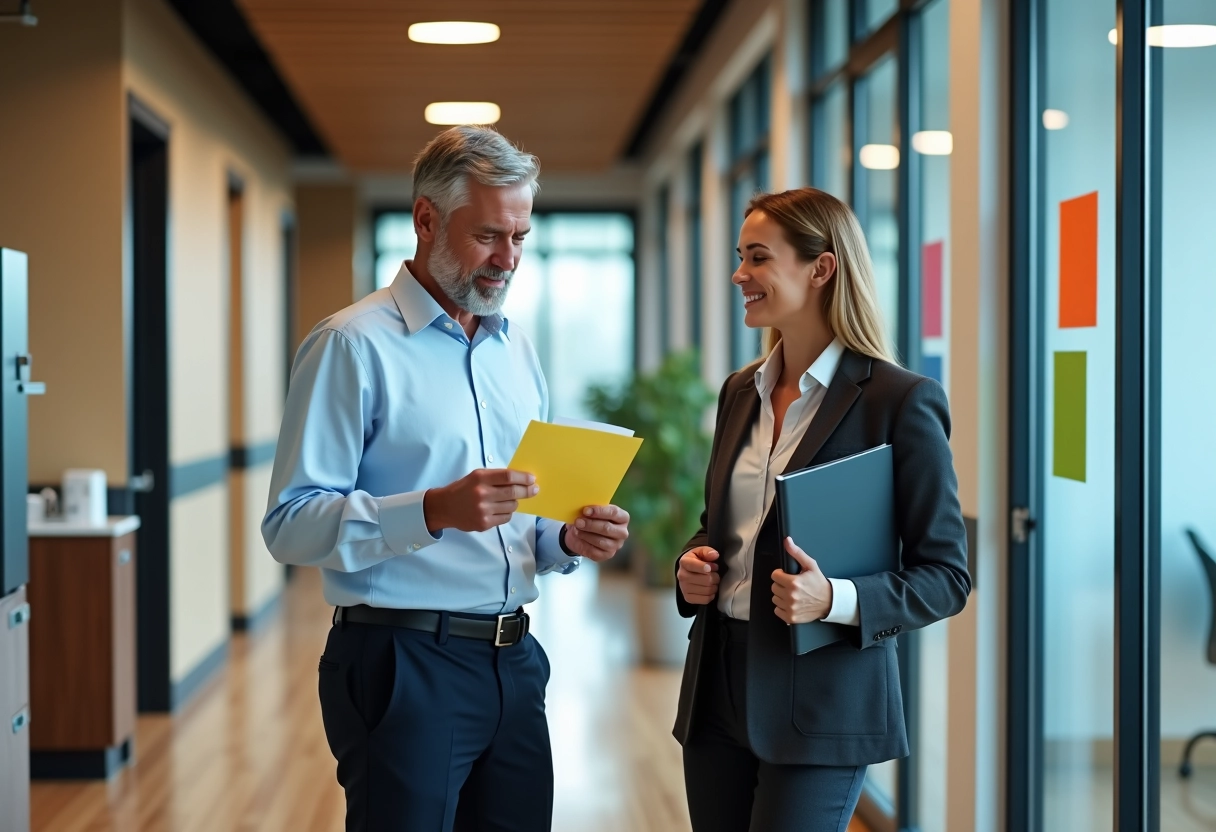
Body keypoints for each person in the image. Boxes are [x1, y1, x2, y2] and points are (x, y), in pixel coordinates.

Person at [263, 125, 631, 832]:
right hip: (402, 667)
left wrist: (567, 539)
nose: (509, 259)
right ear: (426, 220)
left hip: (516, 664)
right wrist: (431, 510)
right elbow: (290, 524)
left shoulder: (515, 347)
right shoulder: (350, 345)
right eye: (490, 236)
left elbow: (524, 522)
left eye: (520, 237)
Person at [673, 187, 971, 832]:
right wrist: (693, 566)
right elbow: (723, 528)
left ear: (821, 267)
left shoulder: (899, 401)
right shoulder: (739, 393)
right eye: (739, 256)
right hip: (718, 688)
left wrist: (832, 599)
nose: (738, 274)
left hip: (824, 700)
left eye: (757, 257)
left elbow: (946, 578)